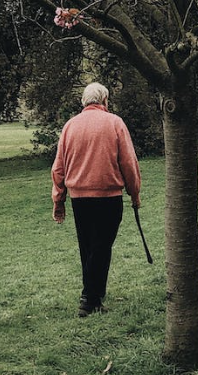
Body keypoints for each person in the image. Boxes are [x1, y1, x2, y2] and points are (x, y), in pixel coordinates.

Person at [52, 82, 142, 317]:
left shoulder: (70, 126)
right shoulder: (114, 123)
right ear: (105, 101)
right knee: (101, 247)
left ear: (84, 101)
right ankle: (90, 298)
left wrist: (58, 199)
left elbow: (59, 168)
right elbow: (129, 163)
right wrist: (135, 192)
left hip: (79, 198)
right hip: (108, 196)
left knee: (88, 246)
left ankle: (93, 294)